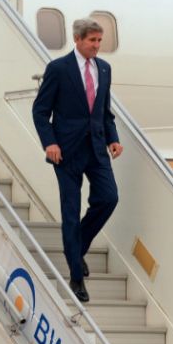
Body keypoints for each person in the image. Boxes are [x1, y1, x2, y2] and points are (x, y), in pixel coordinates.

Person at [32, 18, 124, 302]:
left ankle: (78, 247)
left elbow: (103, 111)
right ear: (78, 39)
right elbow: (40, 111)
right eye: (92, 41)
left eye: (99, 40)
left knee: (109, 198)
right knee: (71, 212)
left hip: (97, 148)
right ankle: (75, 277)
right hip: (67, 152)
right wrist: (50, 143)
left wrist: (113, 137)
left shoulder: (104, 69)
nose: (97, 46)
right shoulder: (58, 69)